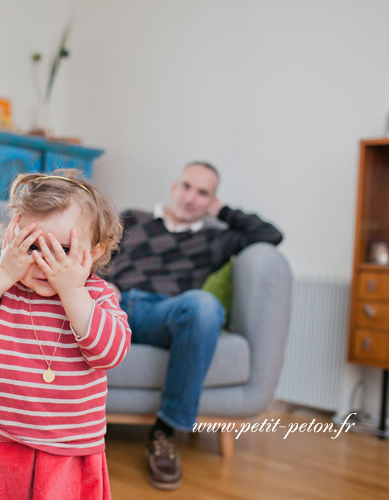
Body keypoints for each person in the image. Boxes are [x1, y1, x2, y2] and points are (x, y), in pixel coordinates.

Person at [0, 169, 131, 500]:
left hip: (65, 453)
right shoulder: (3, 289)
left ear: (95, 250)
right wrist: (5, 270)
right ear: (11, 239)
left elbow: (110, 353)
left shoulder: (95, 296)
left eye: (61, 250)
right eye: (30, 246)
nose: (42, 263)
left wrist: (72, 292)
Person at [105, 161, 283, 490]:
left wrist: (223, 211)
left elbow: (271, 235)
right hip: (115, 303)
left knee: (204, 306)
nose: (190, 198)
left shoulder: (217, 239)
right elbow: (96, 251)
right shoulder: (134, 218)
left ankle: (164, 432)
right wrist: (102, 287)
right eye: (187, 187)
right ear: (174, 187)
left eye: (203, 193)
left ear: (212, 201)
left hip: (168, 314)